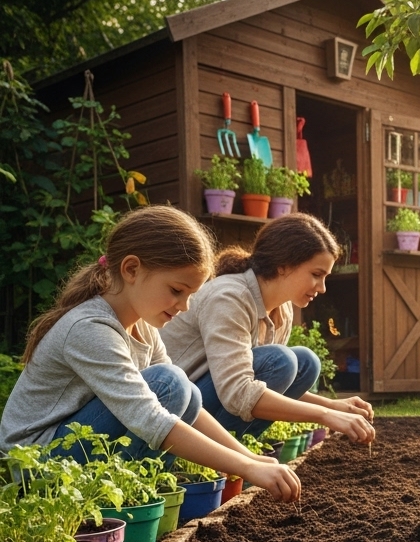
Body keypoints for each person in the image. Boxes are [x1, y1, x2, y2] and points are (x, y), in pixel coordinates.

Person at [0, 206, 301, 500]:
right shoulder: (90, 328)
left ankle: (142, 496)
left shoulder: (142, 326)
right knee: (168, 384)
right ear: (131, 269)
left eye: (190, 295)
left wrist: (250, 458)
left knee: (186, 392)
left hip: (64, 451)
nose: (183, 306)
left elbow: (187, 408)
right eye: (176, 290)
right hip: (34, 468)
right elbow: (150, 417)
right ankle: (126, 500)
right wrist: (246, 468)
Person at [160, 213, 374, 444]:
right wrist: (326, 416)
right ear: (283, 266)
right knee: (283, 360)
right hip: (174, 408)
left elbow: (267, 384)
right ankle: (215, 451)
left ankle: (235, 448)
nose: (322, 288)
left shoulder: (282, 310)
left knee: (305, 363)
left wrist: (332, 405)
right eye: (316, 274)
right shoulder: (230, 297)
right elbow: (238, 392)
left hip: (212, 396)